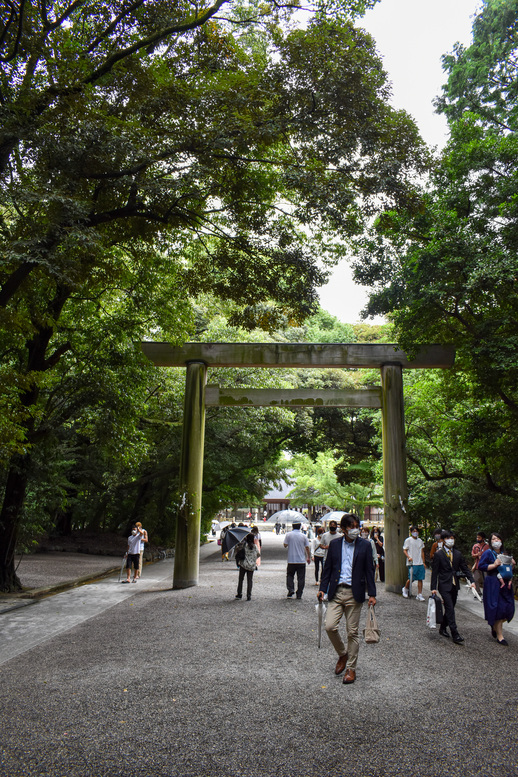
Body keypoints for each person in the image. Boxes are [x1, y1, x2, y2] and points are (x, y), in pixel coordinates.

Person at [318, 513, 376, 685]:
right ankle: (343, 653)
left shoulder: (365, 545)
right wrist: (322, 589)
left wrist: (372, 594)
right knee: (329, 626)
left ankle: (351, 668)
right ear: (343, 529)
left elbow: (369, 571)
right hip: (336, 592)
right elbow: (327, 569)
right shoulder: (335, 545)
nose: (355, 530)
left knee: (352, 632)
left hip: (354, 593)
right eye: (351, 527)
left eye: (356, 526)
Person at [431, 530, 477, 644]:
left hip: (454, 585)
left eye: (452, 538)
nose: (450, 540)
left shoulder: (457, 554)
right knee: (450, 608)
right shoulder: (438, 554)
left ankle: (442, 627)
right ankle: (455, 633)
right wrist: (433, 587)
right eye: (448, 538)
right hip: (443, 584)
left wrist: (472, 580)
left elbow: (465, 568)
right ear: (443, 540)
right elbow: (435, 572)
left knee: (450, 607)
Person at [478, 532, 515, 646]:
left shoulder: (505, 553)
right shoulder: (488, 553)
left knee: (508, 608)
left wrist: (512, 566)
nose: (496, 541)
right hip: (493, 582)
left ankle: (494, 624)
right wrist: (494, 565)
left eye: (498, 538)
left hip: (506, 583)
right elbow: (481, 566)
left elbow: (509, 567)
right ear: (490, 541)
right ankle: (500, 635)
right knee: (497, 608)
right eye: (493, 539)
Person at [283, 521, 311, 598]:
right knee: (301, 578)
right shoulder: (303, 536)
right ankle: (299, 593)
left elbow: (285, 545)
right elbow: (307, 547)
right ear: (300, 527)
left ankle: (291, 589)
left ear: (292, 526)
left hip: (291, 560)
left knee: (290, 575)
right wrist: (308, 557)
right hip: (301, 560)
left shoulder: (288, 535)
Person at [402, 526, 426, 600]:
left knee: (420, 578)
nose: (415, 532)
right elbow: (405, 550)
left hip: (420, 562)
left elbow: (422, 552)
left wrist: (424, 562)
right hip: (412, 562)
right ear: (411, 532)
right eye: (413, 531)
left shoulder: (420, 541)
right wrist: (409, 557)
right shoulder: (408, 540)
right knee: (411, 578)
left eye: (416, 531)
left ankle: (419, 594)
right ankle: (405, 589)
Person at [235, 533, 260, 601]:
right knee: (249, 580)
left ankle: (239, 594)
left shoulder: (244, 546)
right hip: (251, 566)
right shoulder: (255, 546)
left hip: (243, 564)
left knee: (241, 579)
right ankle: (249, 595)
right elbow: (258, 554)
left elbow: (238, 551)